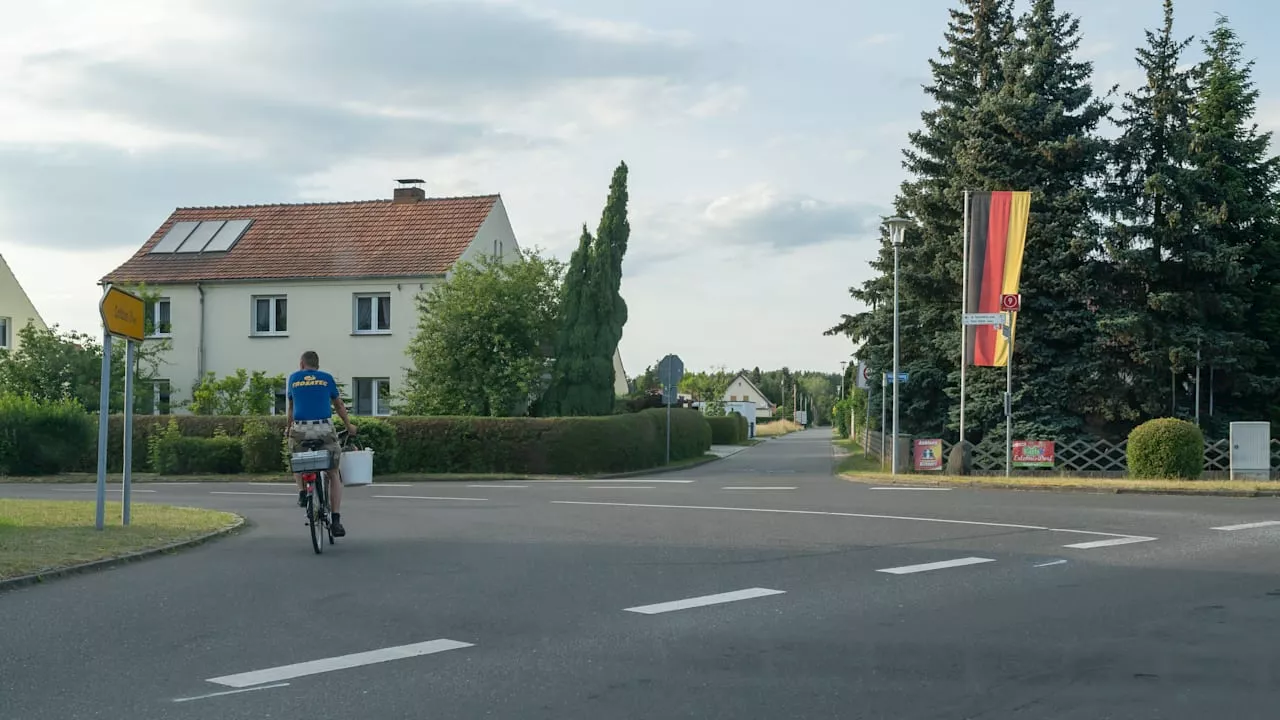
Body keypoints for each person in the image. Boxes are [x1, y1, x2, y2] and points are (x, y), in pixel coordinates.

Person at [285, 350, 357, 537]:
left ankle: (302, 492)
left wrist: (288, 429)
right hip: (323, 429)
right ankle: (336, 520)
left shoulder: (293, 378)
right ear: (317, 365)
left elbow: (291, 408)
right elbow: (339, 405)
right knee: (333, 473)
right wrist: (349, 426)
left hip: (300, 429)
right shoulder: (326, 378)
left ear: (302, 364)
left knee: (296, 458)